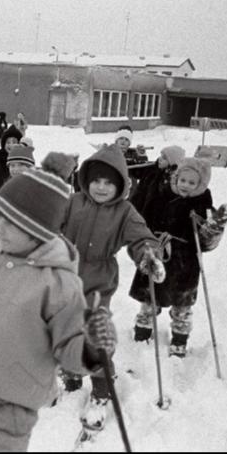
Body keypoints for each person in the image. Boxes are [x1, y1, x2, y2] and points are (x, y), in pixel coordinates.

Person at [0, 169, 118, 452]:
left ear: (37, 232)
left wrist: (93, 346)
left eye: (11, 223)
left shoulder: (58, 283)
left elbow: (69, 351)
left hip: (12, 402)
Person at [60, 143, 164, 430]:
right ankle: (70, 377)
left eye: (109, 182)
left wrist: (148, 254)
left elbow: (141, 236)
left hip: (98, 281)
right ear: (86, 181)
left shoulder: (124, 211)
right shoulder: (72, 202)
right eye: (96, 180)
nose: (101, 187)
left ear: (120, 185)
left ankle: (102, 389)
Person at [129, 158, 227, 357]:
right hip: (159, 256)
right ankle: (143, 331)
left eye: (192, 183)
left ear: (201, 185)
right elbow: (145, 222)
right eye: (183, 180)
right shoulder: (161, 196)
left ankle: (179, 340)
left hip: (185, 264)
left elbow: (206, 244)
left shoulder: (202, 206)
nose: (186, 185)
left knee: (182, 305)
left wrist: (211, 229)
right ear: (176, 178)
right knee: (150, 299)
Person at [130, 145, 186, 221]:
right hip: (137, 210)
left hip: (153, 218)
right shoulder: (152, 169)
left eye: (164, 158)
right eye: (161, 156)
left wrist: (167, 177)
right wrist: (141, 156)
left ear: (172, 162)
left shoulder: (174, 179)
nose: (160, 159)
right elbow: (137, 171)